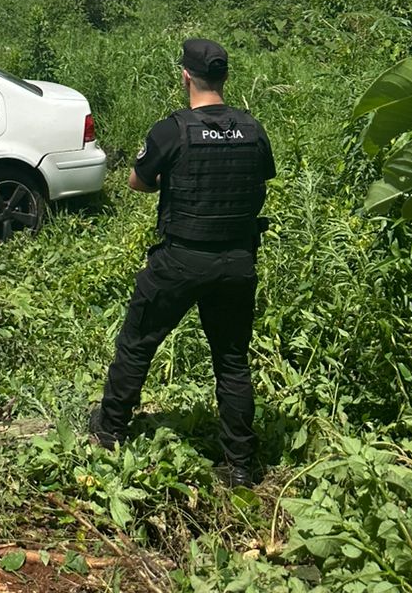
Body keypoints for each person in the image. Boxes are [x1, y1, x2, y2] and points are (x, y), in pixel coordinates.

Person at [88, 39, 275, 484]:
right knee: (232, 361)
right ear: (225, 79)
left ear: (185, 77)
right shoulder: (253, 129)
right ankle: (241, 468)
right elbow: (259, 179)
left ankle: (110, 428)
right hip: (236, 262)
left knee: (138, 341)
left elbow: (137, 181)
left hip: (181, 260)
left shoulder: (172, 130)